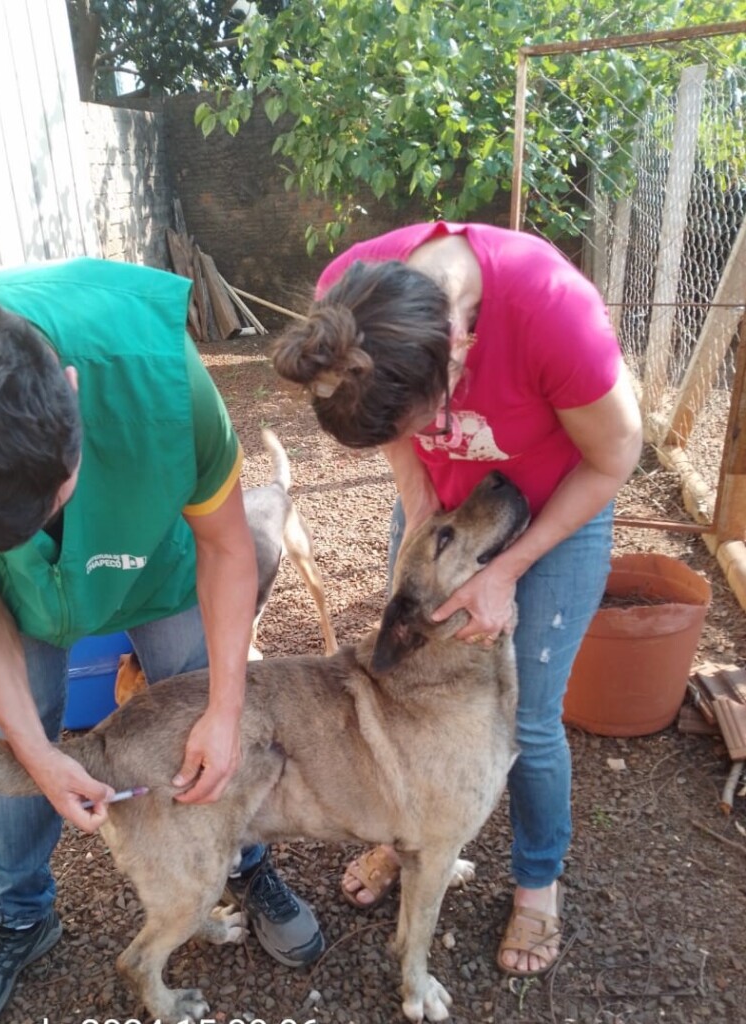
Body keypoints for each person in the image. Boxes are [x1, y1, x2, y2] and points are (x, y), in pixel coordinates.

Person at [0, 258, 324, 1024]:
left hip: (153, 559)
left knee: (203, 715)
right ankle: (20, 915)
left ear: (67, 390)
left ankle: (246, 864)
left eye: (51, 495)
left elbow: (229, 550)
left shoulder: (163, 383)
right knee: (14, 736)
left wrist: (225, 707)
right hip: (10, 596)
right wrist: (34, 748)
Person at [270, 221, 643, 977]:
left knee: (528, 715)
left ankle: (536, 883)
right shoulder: (349, 302)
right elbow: (399, 439)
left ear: (460, 348)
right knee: (399, 684)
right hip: (444, 521)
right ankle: (402, 826)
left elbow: (614, 456)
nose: (435, 432)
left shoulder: (549, 309)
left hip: (558, 505)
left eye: (432, 415)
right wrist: (418, 515)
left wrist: (507, 572)